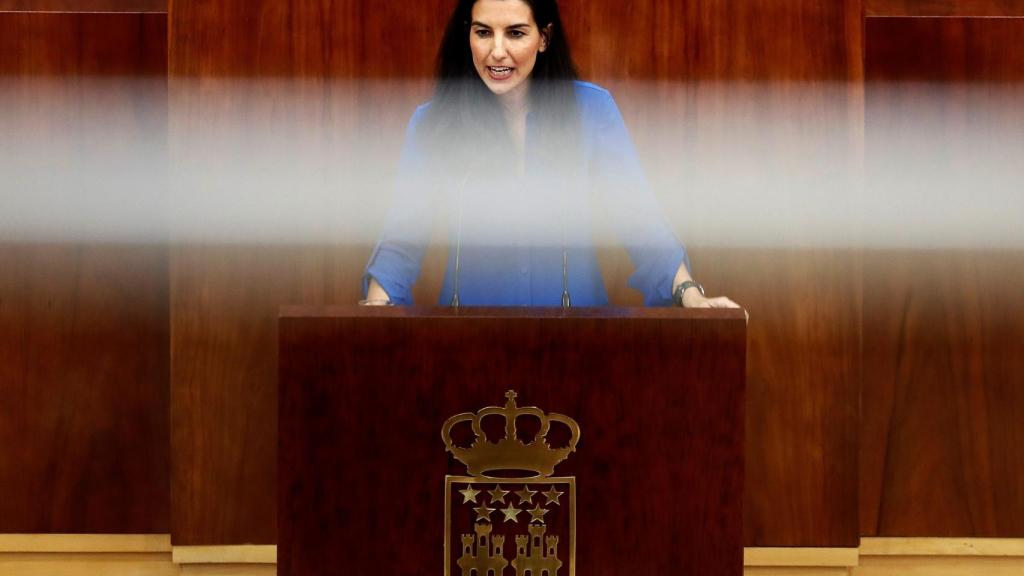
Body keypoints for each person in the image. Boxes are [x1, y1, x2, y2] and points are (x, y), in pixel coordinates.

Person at [363, 0, 738, 309]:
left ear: (544, 38)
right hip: (467, 345)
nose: (497, 51)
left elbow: (640, 222)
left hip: (578, 343)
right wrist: (378, 310)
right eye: (482, 32)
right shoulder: (433, 124)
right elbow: (402, 241)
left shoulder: (592, 110)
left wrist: (688, 293)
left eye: (515, 33)